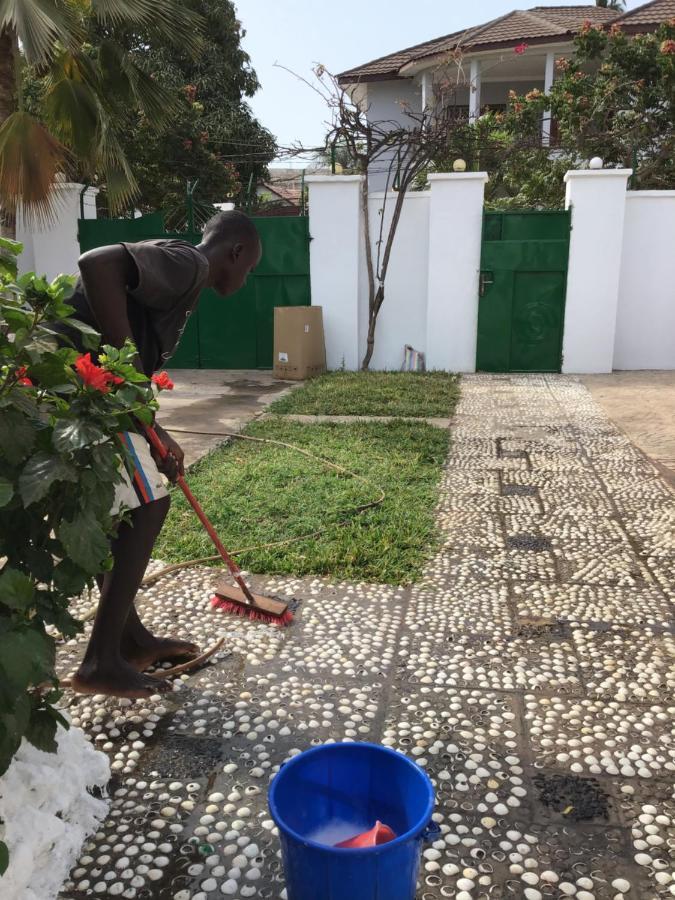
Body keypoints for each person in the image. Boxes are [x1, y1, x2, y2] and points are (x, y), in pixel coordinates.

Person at [63, 210, 262, 699]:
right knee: (148, 503)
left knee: (122, 506)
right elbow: (98, 262)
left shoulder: (179, 270)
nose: (246, 277)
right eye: (250, 267)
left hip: (81, 391)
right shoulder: (189, 263)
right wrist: (125, 369)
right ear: (234, 252)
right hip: (71, 389)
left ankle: (129, 643)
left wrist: (155, 426)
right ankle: (101, 662)